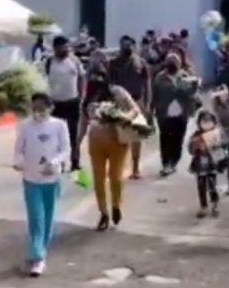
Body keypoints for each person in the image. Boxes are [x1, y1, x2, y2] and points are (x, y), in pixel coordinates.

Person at [13, 92, 71, 277]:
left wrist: (54, 162)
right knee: (36, 217)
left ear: (50, 107)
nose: (38, 112)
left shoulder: (59, 125)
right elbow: (19, 150)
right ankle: (38, 256)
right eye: (35, 108)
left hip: (51, 178)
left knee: (48, 217)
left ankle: (40, 250)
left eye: (42, 108)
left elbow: (65, 150)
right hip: (31, 178)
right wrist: (19, 161)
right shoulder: (25, 126)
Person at [86, 82, 142, 231]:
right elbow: (84, 117)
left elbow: (135, 110)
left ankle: (116, 205)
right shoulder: (89, 93)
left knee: (115, 176)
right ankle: (103, 212)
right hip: (96, 140)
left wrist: (122, 117)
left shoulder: (119, 92)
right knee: (99, 177)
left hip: (117, 138)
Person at [108, 35, 152, 180]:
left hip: (137, 102)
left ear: (133, 46)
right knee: (117, 136)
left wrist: (147, 104)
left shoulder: (141, 63)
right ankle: (116, 167)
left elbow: (147, 84)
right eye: (124, 45)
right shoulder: (113, 63)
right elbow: (110, 85)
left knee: (136, 136)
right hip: (119, 103)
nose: (126, 48)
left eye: (129, 45)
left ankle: (135, 167)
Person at [44, 36, 86, 171]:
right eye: (63, 47)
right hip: (55, 103)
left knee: (74, 133)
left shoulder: (74, 60)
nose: (67, 50)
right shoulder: (49, 62)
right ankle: (59, 163)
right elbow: (43, 81)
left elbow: (82, 77)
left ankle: (75, 161)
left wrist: (82, 95)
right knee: (56, 135)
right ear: (56, 48)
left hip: (72, 102)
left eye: (68, 47)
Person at [152, 53, 198, 176]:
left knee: (178, 139)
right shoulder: (159, 77)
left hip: (181, 113)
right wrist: (152, 110)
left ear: (179, 63)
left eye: (175, 60)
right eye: (169, 61)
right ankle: (166, 163)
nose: (172, 63)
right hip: (164, 114)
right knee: (165, 139)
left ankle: (173, 162)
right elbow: (154, 94)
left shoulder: (185, 76)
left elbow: (192, 95)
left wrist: (192, 105)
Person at [187, 110, 229, 218]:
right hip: (200, 164)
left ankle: (215, 204)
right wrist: (196, 145)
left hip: (213, 164)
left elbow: (226, 143)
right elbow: (190, 149)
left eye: (209, 120)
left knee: (213, 184)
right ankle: (203, 206)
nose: (206, 123)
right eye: (204, 121)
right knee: (201, 184)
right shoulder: (196, 135)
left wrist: (218, 144)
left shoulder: (217, 133)